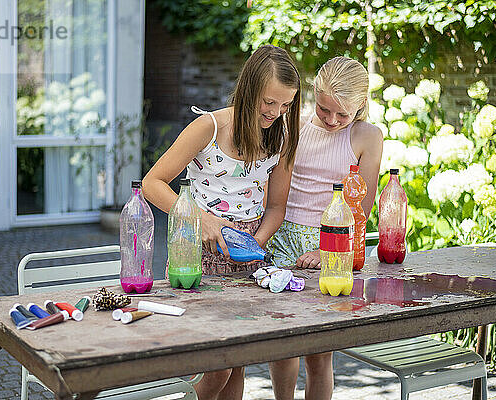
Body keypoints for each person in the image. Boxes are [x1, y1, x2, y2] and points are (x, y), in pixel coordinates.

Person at [142, 44, 301, 400]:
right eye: (269, 102)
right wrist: (203, 219)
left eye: (286, 105)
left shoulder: (282, 136)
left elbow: (276, 207)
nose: (277, 113)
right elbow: (153, 183)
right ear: (248, 90)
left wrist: (254, 244)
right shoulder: (208, 127)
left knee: (237, 365)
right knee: (218, 367)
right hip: (197, 252)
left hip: (246, 258)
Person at [266, 56, 383, 400]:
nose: (331, 120)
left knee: (320, 351)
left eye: (342, 114)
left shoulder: (367, 137)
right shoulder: (293, 124)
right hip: (282, 238)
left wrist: (328, 250)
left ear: (361, 104)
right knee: (283, 343)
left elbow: (361, 205)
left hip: (331, 243)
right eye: (323, 109)